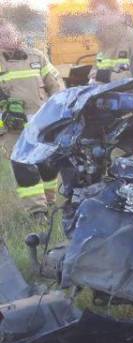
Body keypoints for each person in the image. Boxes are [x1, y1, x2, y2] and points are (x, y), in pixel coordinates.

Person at [0, 21, 64, 220]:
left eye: (8, 34)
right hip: (11, 128)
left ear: (16, 34)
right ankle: (38, 212)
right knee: (23, 167)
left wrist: (58, 109)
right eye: (0, 36)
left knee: (47, 165)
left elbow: (55, 84)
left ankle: (50, 202)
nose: (5, 39)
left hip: (42, 124)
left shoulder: (36, 56)